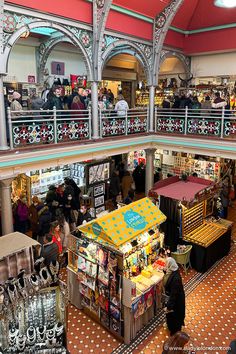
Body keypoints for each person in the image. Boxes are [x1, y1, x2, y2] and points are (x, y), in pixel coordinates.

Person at [164, 257, 185, 336]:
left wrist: (169, 307)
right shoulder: (174, 271)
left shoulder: (176, 279)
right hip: (175, 300)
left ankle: (175, 335)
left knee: (175, 319)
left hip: (176, 303)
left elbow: (174, 295)